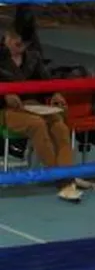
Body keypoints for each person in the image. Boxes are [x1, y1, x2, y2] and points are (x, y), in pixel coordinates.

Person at [0, 25, 82, 201]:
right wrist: (4, 96)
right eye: (16, 43)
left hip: (34, 106)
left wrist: (55, 94)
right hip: (6, 110)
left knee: (60, 126)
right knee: (37, 125)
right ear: (6, 39)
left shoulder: (33, 58)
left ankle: (65, 176)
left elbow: (47, 82)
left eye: (24, 44)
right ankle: (62, 180)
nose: (20, 47)